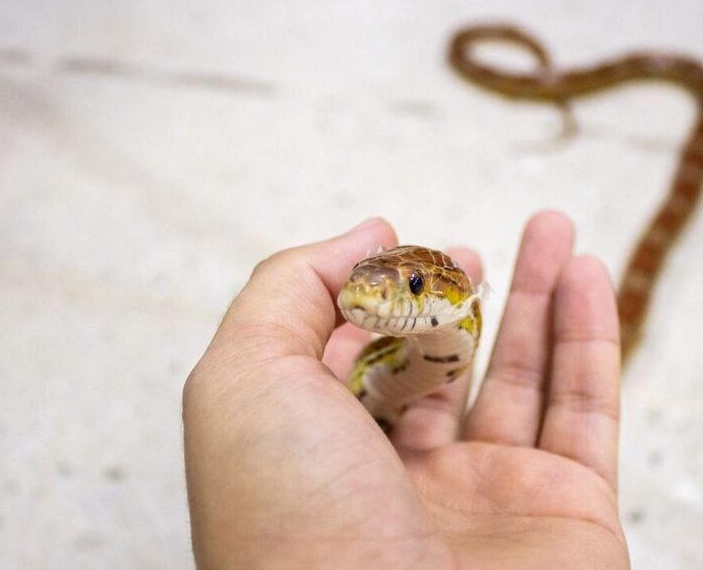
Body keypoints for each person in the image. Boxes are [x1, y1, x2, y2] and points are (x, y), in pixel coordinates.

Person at [183, 210, 630, 569]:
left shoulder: (456, 312)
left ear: (456, 296)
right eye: (359, 278)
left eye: (414, 286)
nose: (367, 296)